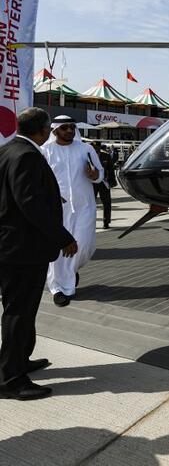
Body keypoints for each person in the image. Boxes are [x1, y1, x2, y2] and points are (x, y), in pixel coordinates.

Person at [0, 108, 77, 400]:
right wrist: (63, 236)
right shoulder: (28, 156)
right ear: (44, 130)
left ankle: (18, 360)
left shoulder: (7, 150)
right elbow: (30, 203)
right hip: (23, 249)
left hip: (12, 246)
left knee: (20, 309)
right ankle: (10, 380)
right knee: (19, 312)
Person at [42, 115, 103, 307]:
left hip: (85, 207)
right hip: (58, 210)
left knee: (84, 246)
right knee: (59, 250)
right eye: (65, 127)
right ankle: (58, 288)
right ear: (55, 130)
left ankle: (69, 272)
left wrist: (95, 175)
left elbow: (100, 174)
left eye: (72, 127)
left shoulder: (86, 149)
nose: (69, 130)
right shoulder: (45, 151)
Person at [91, 141, 115, 229]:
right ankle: (90, 222)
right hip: (92, 183)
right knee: (90, 204)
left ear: (99, 148)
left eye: (96, 148)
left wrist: (112, 181)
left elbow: (111, 169)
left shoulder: (106, 156)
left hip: (103, 182)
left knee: (107, 203)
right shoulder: (87, 156)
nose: (95, 149)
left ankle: (106, 221)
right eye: (93, 148)